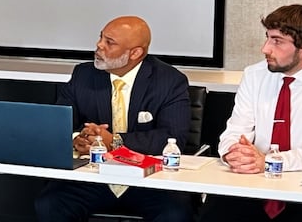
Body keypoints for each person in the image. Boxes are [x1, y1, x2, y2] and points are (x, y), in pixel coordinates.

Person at [199, 4, 302, 221]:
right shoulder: (254, 74)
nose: (265, 48)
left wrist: (269, 161)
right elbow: (235, 130)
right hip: (255, 179)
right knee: (214, 213)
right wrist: (232, 153)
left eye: (277, 41)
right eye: (268, 38)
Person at [34, 16, 194, 222]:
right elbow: (58, 124)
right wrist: (78, 138)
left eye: (110, 42)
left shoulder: (169, 81)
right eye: (101, 37)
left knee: (175, 213)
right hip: (94, 177)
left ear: (135, 53)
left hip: (148, 180)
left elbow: (172, 137)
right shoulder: (83, 74)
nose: (99, 45)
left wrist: (114, 142)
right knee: (50, 204)